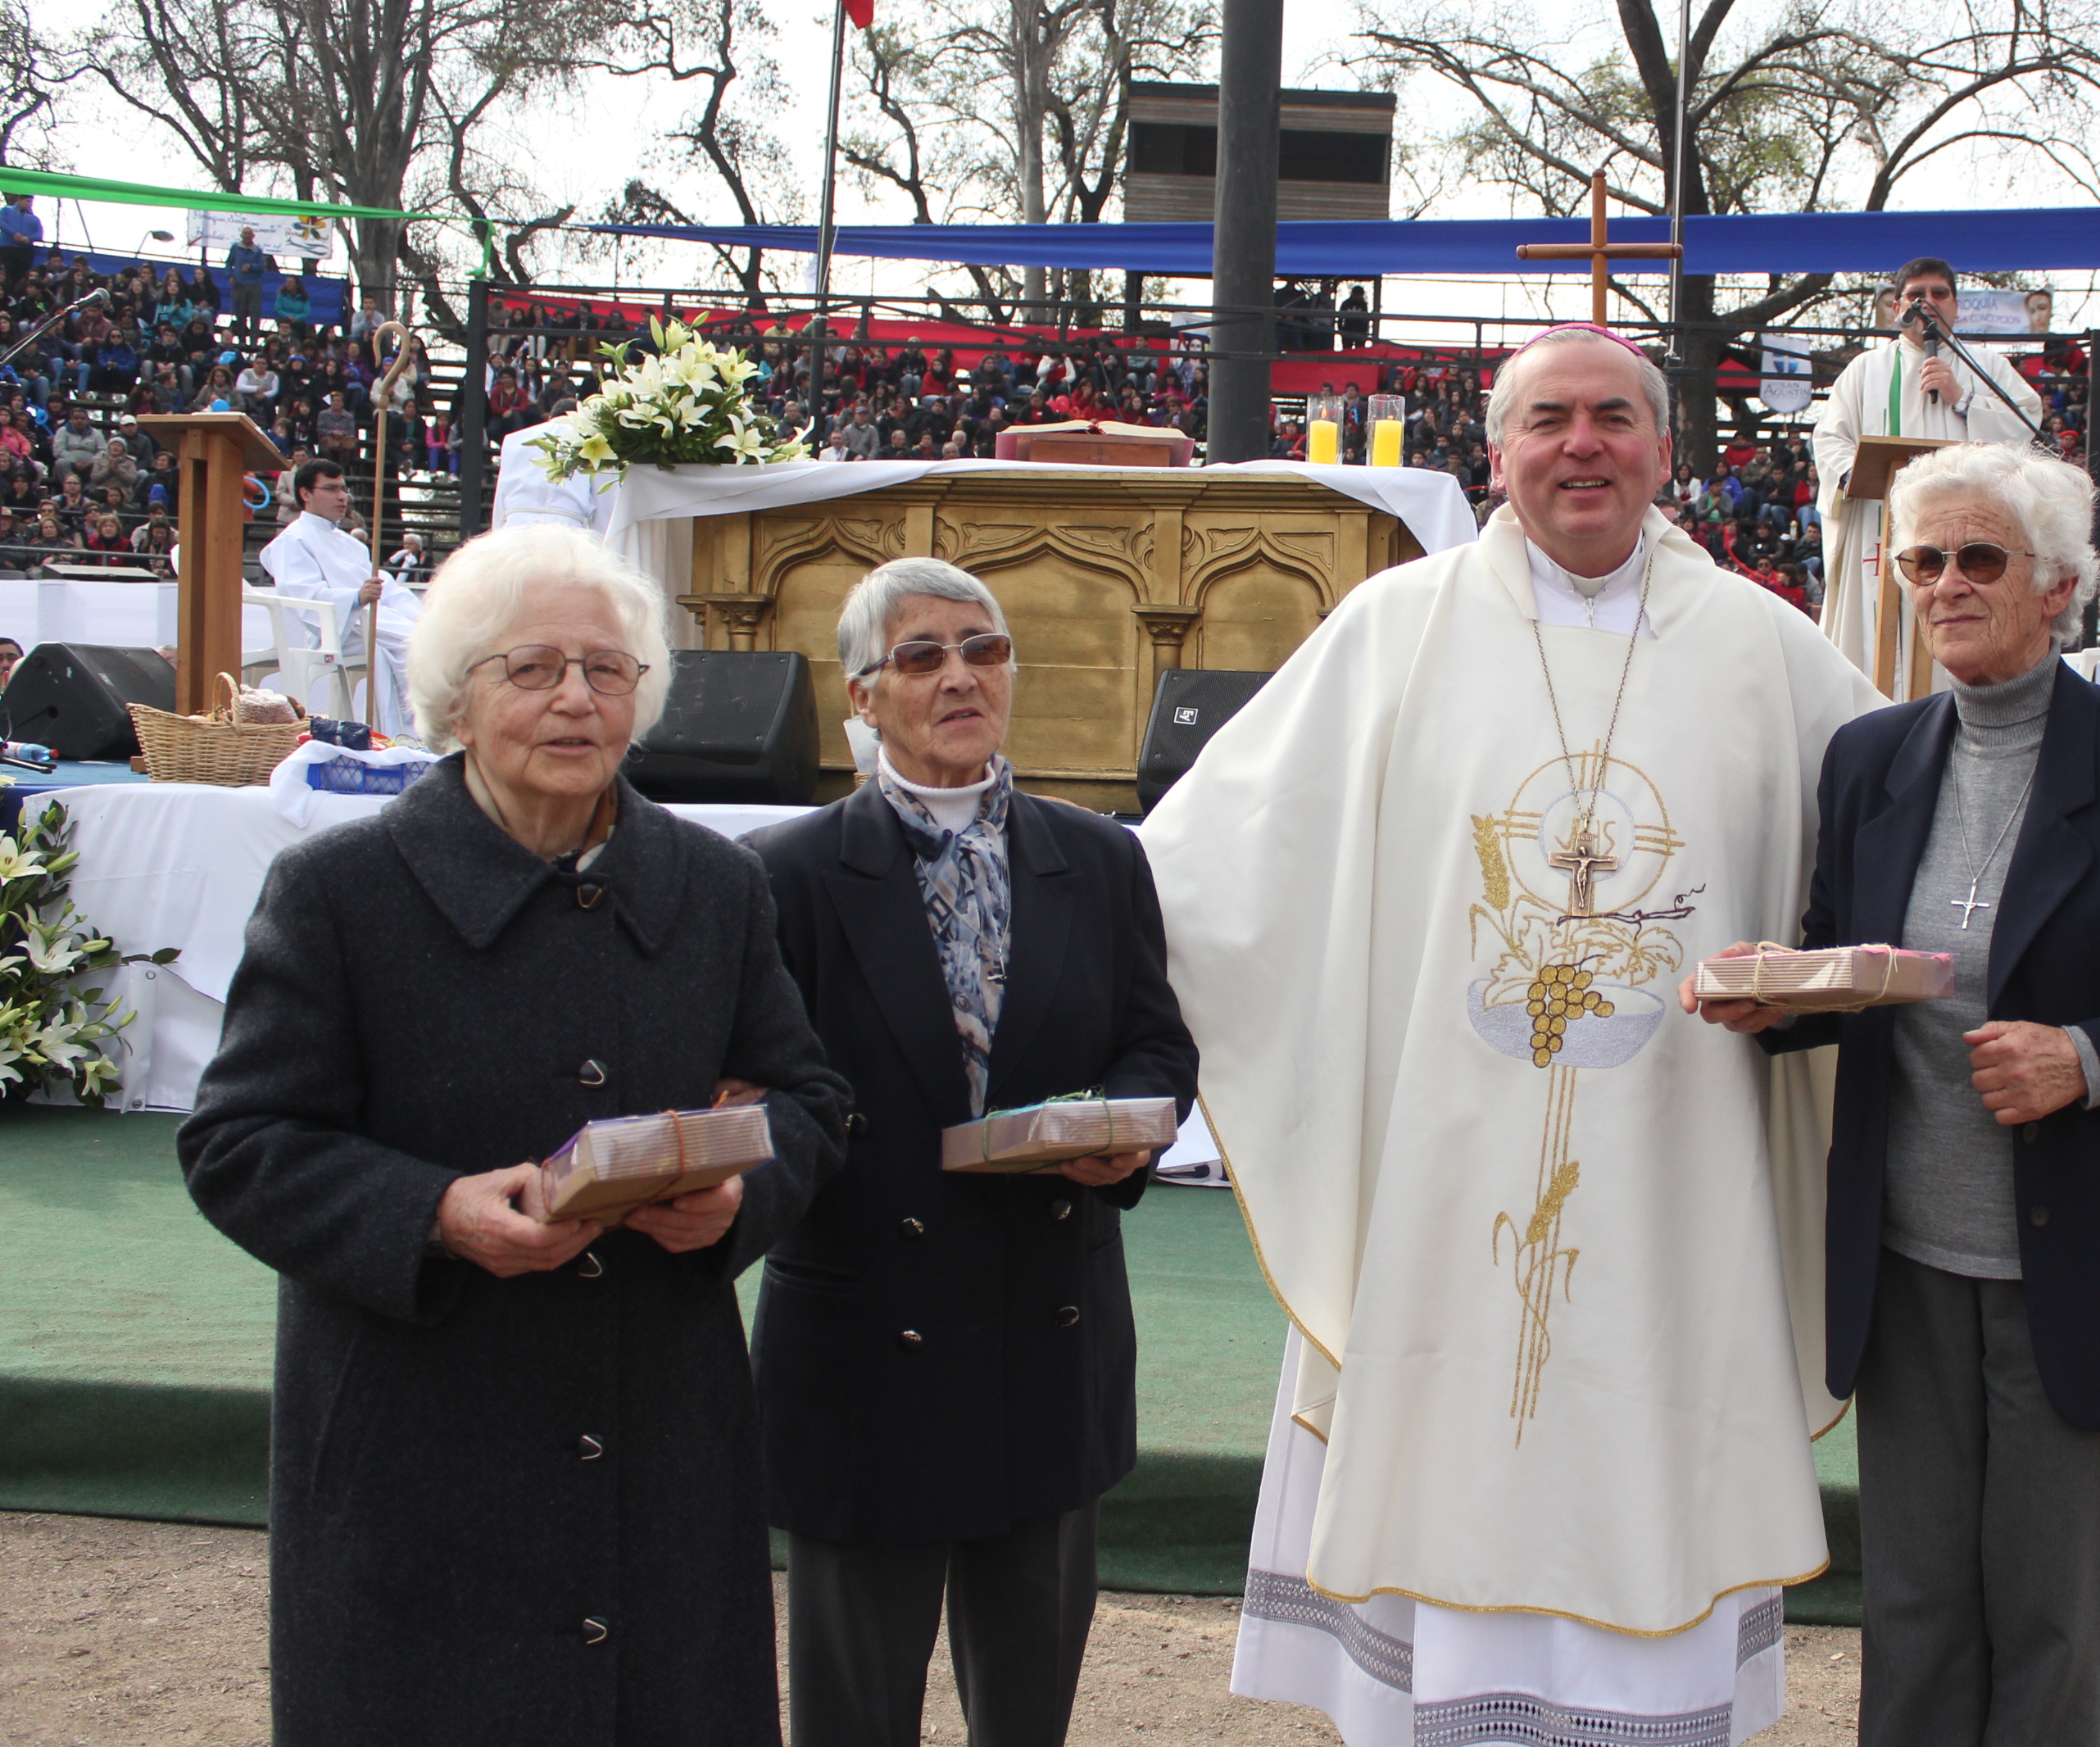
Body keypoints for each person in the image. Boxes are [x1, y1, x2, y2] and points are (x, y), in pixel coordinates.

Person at [1143, 324, 1879, 1745]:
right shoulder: (1396, 627)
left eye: (1614, 416)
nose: (1581, 445)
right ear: (1497, 453)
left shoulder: (1768, 646)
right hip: (1447, 1152)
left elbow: (1887, 851)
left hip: (1682, 1151)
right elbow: (1221, 847)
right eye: (1548, 419)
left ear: (1665, 450)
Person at [176, 522, 852, 1741]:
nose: (575, 700)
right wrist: (433, 1215)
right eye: (532, 668)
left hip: (657, 1436)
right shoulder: (339, 894)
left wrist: (737, 1198)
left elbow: (807, 1100)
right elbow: (241, 1143)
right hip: (419, 1443)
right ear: (457, 697)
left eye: (606, 670)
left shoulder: (716, 886)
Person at [1691, 442, 2100, 1747]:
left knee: (2045, 1620)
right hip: (1908, 1260)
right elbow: (1849, 955)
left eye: (1980, 558)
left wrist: (2087, 1058)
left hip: (2083, 1260)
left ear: (2060, 586)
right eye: (1923, 561)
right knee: (1913, 1608)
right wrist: (1781, 1000)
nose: (1947, 584)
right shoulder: (1871, 758)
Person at [743, 558, 1198, 1747]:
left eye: (983, 650)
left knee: (1028, 1702)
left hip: (1044, 1315)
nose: (960, 677)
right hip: (865, 1331)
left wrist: (1125, 1133)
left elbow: (1155, 1044)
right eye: (922, 655)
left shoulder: (1099, 859)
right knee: (853, 1709)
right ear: (863, 694)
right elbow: (757, 1084)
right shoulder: (784, 874)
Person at [1812, 257, 2045, 678]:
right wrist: (1854, 474)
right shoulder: (1866, 369)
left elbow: (2026, 423)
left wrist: (1963, 398)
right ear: (1896, 307)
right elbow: (1830, 438)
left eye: (1939, 293)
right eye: (1916, 294)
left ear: (1956, 305)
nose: (1927, 302)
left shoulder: (1986, 365)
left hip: (1963, 533)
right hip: (1882, 526)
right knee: (1878, 637)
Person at [262, 458, 421, 727]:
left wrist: (425, 616)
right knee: (416, 648)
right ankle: (407, 733)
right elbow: (302, 596)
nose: (342, 497)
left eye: (344, 489)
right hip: (337, 629)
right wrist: (355, 599)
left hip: (371, 622)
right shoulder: (293, 540)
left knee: (434, 639)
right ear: (305, 494)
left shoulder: (352, 545)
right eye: (331, 488)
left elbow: (389, 590)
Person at [224, 226, 272, 329]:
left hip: (254, 285)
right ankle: (241, 337)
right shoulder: (235, 248)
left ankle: (254, 337)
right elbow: (228, 264)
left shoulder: (257, 250)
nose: (247, 236)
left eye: (249, 233)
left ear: (253, 236)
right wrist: (230, 276)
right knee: (240, 313)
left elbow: (262, 267)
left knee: (255, 313)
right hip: (240, 284)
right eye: (245, 233)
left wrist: (250, 267)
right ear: (241, 235)